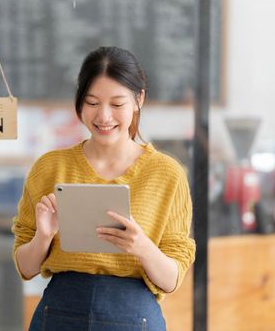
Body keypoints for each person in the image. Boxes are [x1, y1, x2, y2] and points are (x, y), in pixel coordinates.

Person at [12, 46, 196, 331]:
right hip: (59, 316)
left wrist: (143, 248)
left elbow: (171, 279)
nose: (104, 116)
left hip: (135, 319)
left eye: (117, 104)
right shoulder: (50, 167)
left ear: (139, 100)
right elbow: (26, 267)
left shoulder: (167, 174)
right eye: (93, 102)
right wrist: (43, 237)